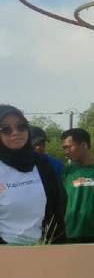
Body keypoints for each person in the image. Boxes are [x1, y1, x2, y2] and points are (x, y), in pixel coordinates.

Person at [0, 105, 66, 245]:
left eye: (21, 127)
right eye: (6, 129)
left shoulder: (42, 163)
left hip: (42, 251)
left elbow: (57, 209)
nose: (15, 132)